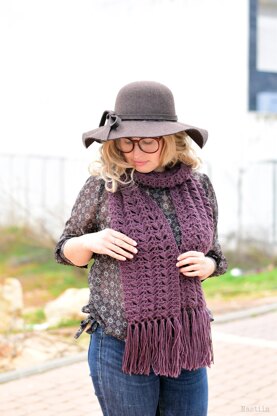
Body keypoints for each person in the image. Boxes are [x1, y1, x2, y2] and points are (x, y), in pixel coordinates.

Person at [55, 80, 228, 416]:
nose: (134, 154)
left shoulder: (199, 186)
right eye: (125, 145)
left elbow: (216, 254)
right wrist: (91, 241)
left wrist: (207, 265)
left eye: (147, 144)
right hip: (121, 346)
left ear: (171, 142)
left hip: (184, 343)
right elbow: (65, 250)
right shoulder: (104, 187)